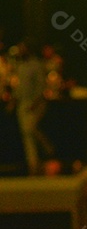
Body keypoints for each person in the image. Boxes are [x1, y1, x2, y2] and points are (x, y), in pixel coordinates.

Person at [14, 37, 54, 175]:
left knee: (30, 129)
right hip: (23, 104)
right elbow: (20, 88)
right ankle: (33, 162)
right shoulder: (20, 66)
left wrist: (35, 103)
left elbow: (41, 86)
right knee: (27, 134)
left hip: (35, 103)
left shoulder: (36, 65)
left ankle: (46, 149)